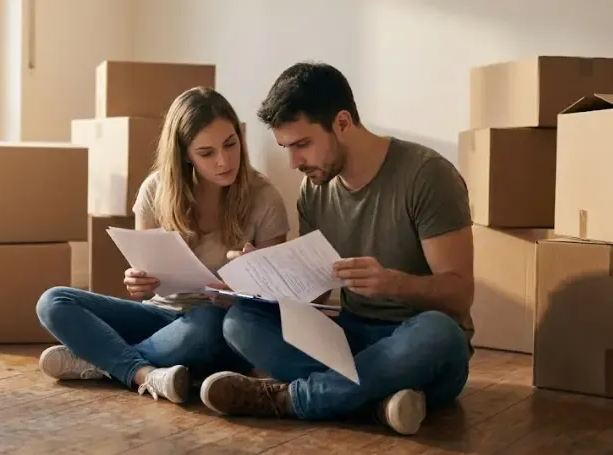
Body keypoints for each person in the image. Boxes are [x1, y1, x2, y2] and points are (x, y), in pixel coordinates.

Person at [198, 62, 474, 436]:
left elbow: (460, 295)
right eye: (286, 148)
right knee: (241, 322)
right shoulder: (315, 190)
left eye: (302, 145)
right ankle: (375, 404)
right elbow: (317, 294)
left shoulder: (428, 176)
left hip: (417, 343)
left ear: (342, 123)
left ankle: (291, 399)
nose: (294, 163)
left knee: (438, 333)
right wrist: (263, 278)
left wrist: (392, 284)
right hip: (351, 337)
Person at [35, 86, 290, 404]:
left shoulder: (264, 198)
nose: (224, 161)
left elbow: (275, 307)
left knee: (209, 324)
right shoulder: (155, 191)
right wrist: (138, 282)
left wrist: (249, 286)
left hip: (219, 329)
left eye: (230, 144)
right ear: (184, 154)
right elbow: (149, 290)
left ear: (240, 136)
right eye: (206, 153)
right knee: (53, 301)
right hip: (159, 318)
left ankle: (102, 360)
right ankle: (144, 374)